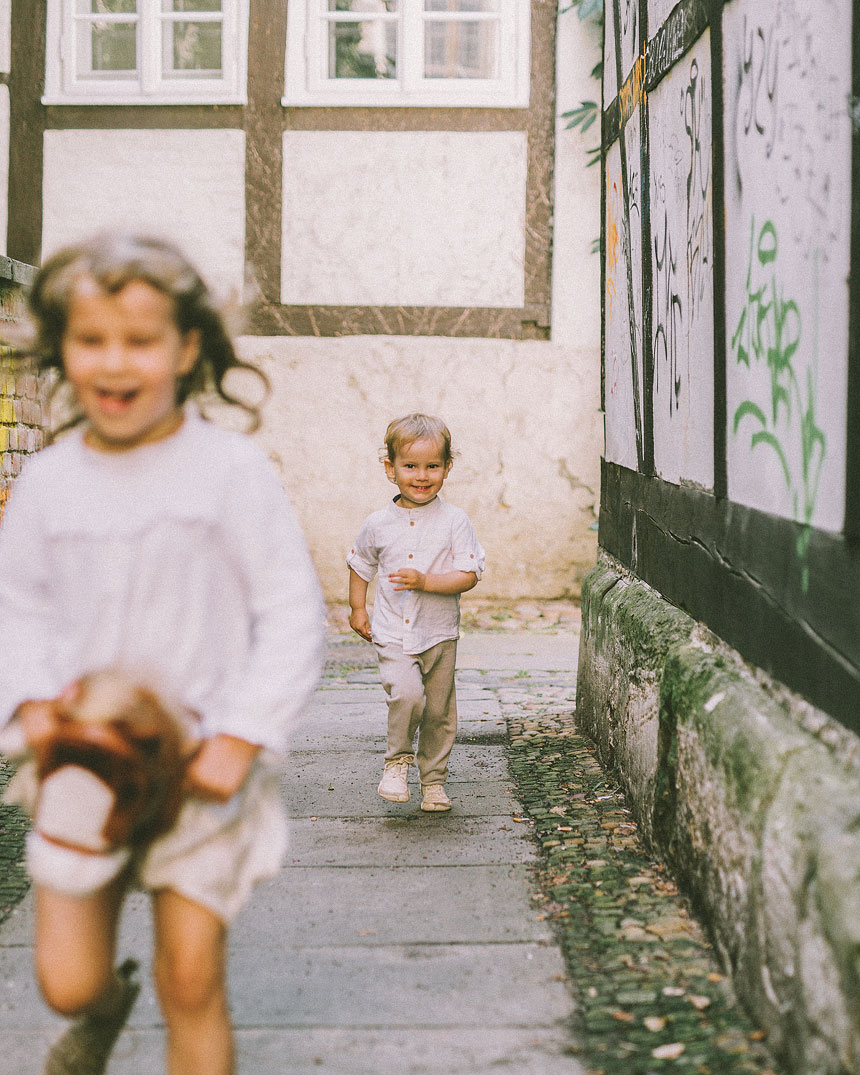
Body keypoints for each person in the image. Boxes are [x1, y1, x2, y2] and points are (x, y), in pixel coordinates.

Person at [0, 233, 326, 1075]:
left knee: (192, 978)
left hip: (200, 768)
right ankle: (105, 1006)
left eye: (140, 340)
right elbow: (17, 607)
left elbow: (291, 612)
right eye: (91, 338)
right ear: (61, 349)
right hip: (83, 758)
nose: (115, 363)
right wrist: (31, 701)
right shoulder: (49, 481)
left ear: (187, 348)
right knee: (65, 981)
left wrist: (243, 735)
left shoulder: (229, 471)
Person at [347, 413, 485, 813]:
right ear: (390, 469)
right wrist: (358, 608)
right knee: (407, 695)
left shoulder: (455, 521)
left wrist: (427, 581)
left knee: (440, 712)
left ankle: (434, 781)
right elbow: (360, 565)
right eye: (410, 466)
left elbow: (468, 575)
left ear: (446, 468)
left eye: (432, 466)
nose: (421, 476)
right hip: (392, 631)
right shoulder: (377, 524)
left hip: (440, 633)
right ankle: (397, 761)